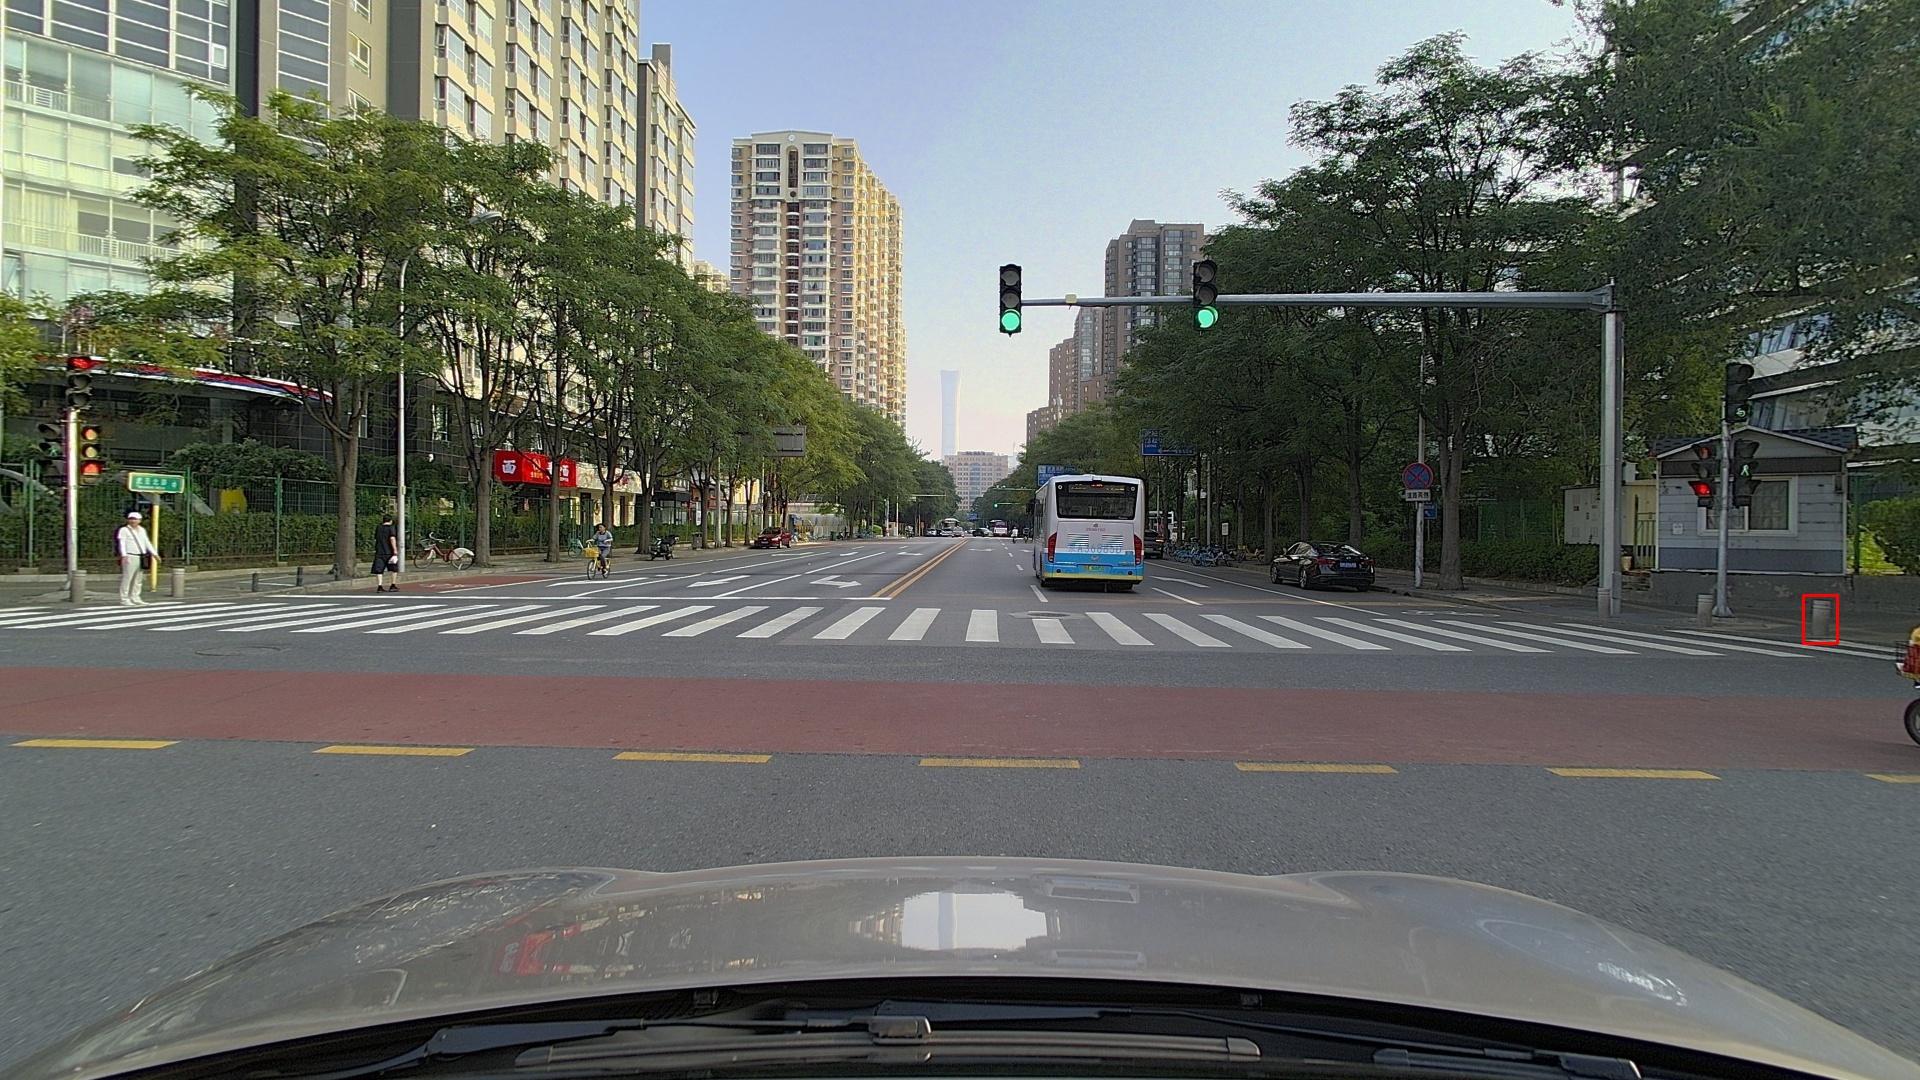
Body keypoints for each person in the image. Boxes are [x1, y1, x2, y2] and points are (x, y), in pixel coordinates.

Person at [115, 510, 157, 606]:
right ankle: (124, 598)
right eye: (131, 519)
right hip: (130, 555)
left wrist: (154, 554)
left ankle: (136, 597)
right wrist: (124, 555)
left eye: (135, 519)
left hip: (140, 556)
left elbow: (147, 542)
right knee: (127, 578)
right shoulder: (124, 530)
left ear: (139, 520)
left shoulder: (142, 530)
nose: (133, 521)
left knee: (138, 579)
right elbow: (122, 543)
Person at [372, 513, 400, 592]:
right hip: (389, 552)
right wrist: (395, 550)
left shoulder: (379, 528)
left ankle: (379, 586)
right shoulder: (391, 528)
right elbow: (392, 539)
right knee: (394, 569)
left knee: (379, 570)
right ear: (390, 521)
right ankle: (392, 585)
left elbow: (376, 538)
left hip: (379, 551)